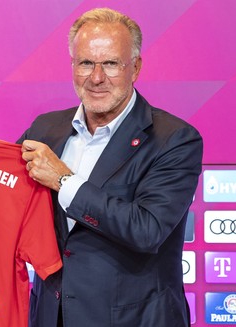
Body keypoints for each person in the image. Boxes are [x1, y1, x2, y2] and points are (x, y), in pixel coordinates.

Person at [20, 8, 202, 327]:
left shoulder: (175, 139)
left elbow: (147, 230)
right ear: (73, 66)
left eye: (111, 64)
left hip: (136, 319)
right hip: (52, 316)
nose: (97, 78)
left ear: (136, 67)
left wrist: (64, 180)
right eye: (86, 63)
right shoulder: (46, 128)